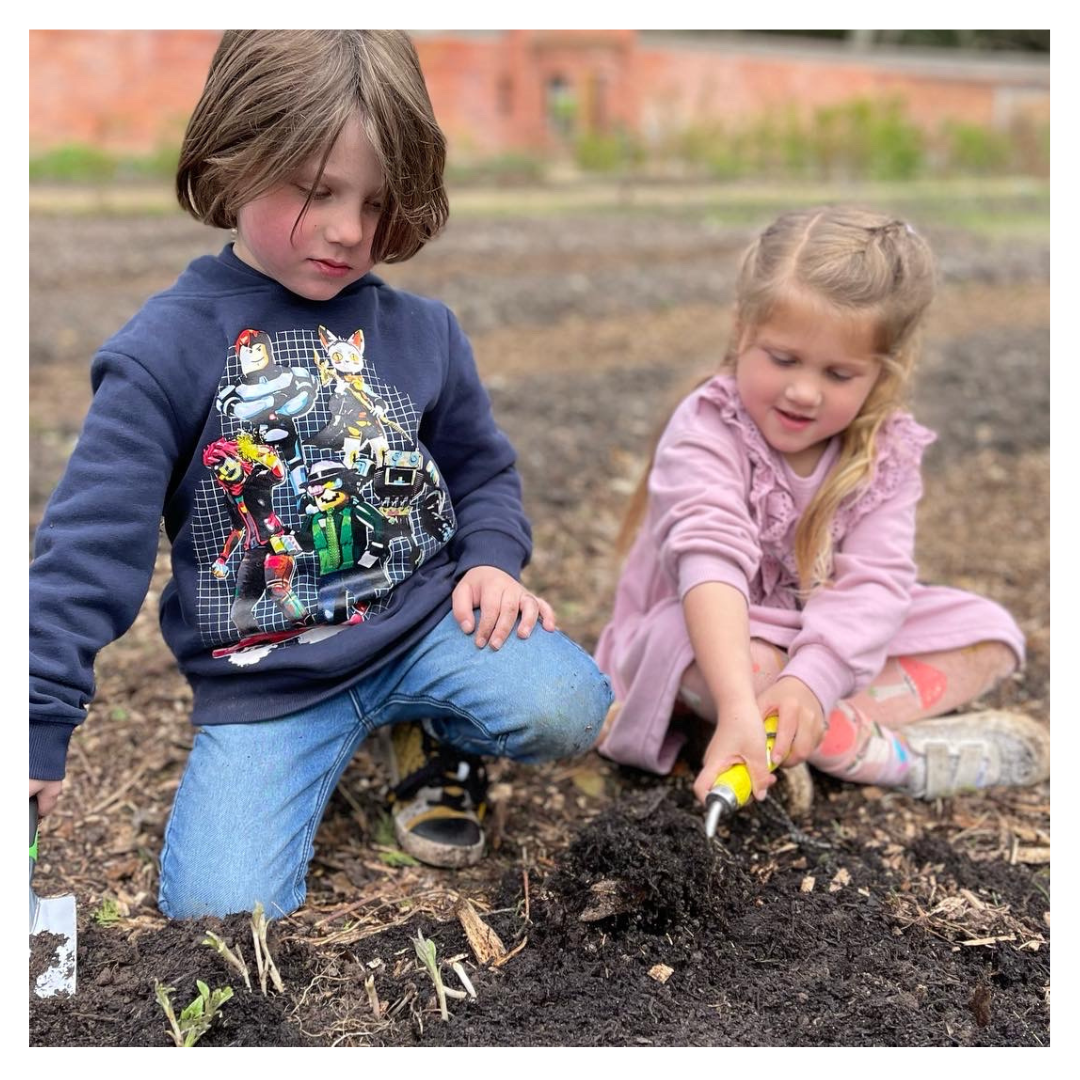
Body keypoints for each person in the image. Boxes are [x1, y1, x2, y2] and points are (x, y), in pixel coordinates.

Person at [29, 30, 612, 920]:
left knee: (570, 707)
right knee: (221, 914)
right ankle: (343, 744)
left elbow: (482, 470)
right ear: (231, 159)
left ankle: (429, 733)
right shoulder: (164, 352)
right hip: (270, 684)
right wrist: (36, 721)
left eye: (377, 203)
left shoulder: (425, 332)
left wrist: (493, 559)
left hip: (425, 629)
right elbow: (87, 550)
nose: (350, 230)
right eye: (315, 191)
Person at [595, 205, 1048, 811]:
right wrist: (740, 702)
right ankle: (876, 753)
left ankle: (802, 721)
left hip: (817, 641)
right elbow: (711, 566)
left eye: (838, 373)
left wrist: (812, 679)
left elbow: (876, 584)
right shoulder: (707, 430)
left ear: (883, 371)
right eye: (783, 359)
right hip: (709, 639)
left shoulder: (882, 450)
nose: (804, 391)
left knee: (989, 636)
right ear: (740, 332)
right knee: (751, 668)